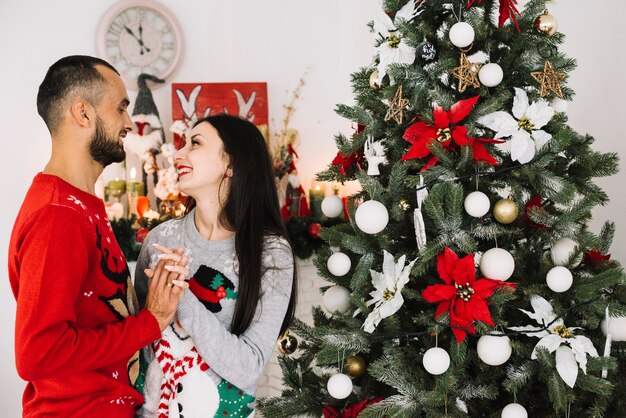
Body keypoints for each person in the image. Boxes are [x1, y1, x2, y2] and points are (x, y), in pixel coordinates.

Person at [8, 55, 189, 417]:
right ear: (83, 113)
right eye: (121, 108)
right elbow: (37, 354)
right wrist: (149, 323)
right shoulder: (58, 215)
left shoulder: (80, 205)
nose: (129, 123)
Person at [134, 114, 297, 417]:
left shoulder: (270, 252)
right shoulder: (161, 240)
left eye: (194, 143)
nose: (179, 153)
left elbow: (249, 368)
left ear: (232, 165)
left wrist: (182, 297)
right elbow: (138, 342)